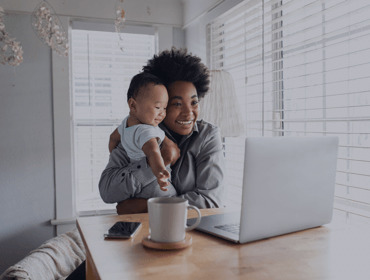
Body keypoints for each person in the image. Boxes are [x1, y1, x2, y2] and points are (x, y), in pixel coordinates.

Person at [99, 47, 225, 214]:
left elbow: (210, 201)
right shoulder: (137, 132)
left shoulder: (207, 136)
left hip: (194, 231)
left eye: (194, 103)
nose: (189, 113)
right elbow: (108, 190)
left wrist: (146, 206)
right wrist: (158, 161)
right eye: (177, 104)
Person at [117, 72, 177, 198]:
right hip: (153, 183)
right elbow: (153, 153)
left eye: (164, 108)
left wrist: (113, 151)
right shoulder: (146, 132)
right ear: (133, 105)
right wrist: (160, 172)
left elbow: (113, 138)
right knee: (173, 198)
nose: (162, 113)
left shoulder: (125, 123)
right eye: (157, 107)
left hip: (134, 177)